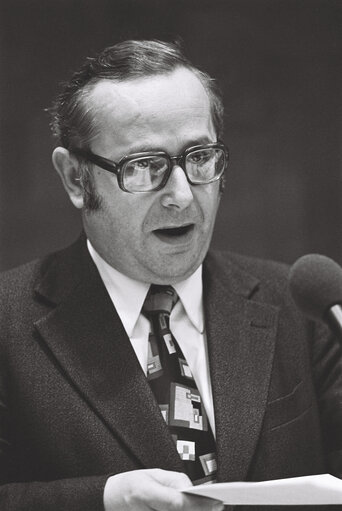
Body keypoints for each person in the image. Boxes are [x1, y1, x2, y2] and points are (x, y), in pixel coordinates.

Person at [0, 39, 342, 511]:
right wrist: (102, 499)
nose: (181, 195)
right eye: (144, 166)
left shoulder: (303, 309)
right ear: (76, 180)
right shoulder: (6, 324)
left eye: (200, 157)